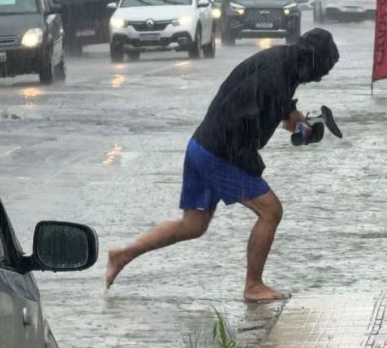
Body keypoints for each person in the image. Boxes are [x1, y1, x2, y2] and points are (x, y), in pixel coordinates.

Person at [106, 28, 340, 302]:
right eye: (320, 72)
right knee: (271, 211)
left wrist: (301, 125)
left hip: (200, 144)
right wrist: (255, 165)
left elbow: (278, 109)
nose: (319, 78)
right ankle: (253, 286)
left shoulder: (279, 61)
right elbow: (246, 126)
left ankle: (122, 255)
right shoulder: (277, 77)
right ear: (311, 61)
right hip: (220, 152)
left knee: (194, 225)